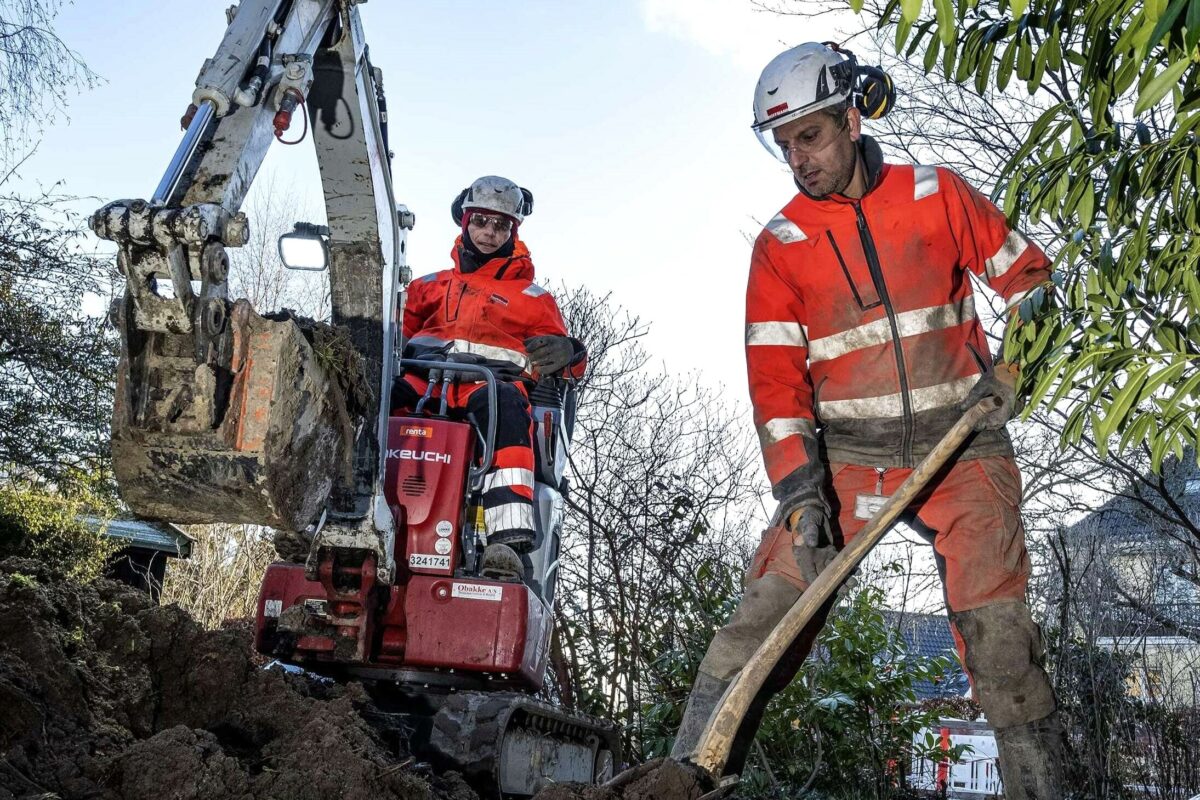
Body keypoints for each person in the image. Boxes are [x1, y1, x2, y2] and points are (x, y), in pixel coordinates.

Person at [671, 43, 1066, 798]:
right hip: (848, 465)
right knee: (759, 622)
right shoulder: (780, 246)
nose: (798, 159)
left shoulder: (937, 194)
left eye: (810, 137)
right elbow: (777, 389)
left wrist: (1018, 366)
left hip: (965, 447)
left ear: (852, 118)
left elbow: (1032, 281)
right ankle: (682, 779)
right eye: (783, 145)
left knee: (1003, 642)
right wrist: (799, 493)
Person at [394, 175, 586, 579]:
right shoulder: (427, 286)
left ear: (512, 232)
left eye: (500, 225)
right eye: (481, 221)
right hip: (423, 383)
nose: (488, 232)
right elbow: (393, 337)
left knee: (508, 410)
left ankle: (507, 541)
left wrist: (570, 352)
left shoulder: (534, 300)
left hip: (489, 387)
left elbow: (567, 365)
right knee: (378, 404)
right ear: (465, 222)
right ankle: (342, 512)